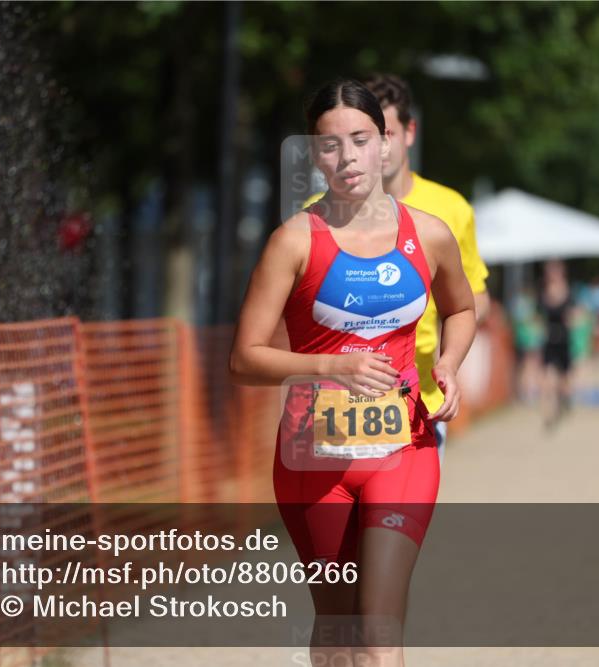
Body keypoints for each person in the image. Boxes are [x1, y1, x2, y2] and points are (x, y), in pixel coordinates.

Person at [230, 78, 476, 666]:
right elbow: (244, 358)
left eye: (360, 140)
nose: (347, 159)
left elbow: (461, 308)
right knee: (338, 630)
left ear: (385, 142)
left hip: (404, 450)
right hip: (313, 458)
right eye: (330, 145)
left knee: (378, 628)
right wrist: (332, 365)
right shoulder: (293, 242)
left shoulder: (429, 234)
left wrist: (447, 361)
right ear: (315, 154)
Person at [305, 74, 489, 463]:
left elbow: (472, 301)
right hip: (334, 396)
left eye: (379, 133)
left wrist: (448, 356)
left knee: (394, 516)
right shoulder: (316, 211)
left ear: (406, 134)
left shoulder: (449, 209)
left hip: (419, 393)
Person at [539, 259, 574, 429]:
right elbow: (540, 314)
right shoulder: (543, 291)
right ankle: (548, 413)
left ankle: (564, 401)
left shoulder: (567, 290)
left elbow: (572, 314)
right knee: (547, 377)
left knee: (564, 377)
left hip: (564, 338)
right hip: (550, 339)